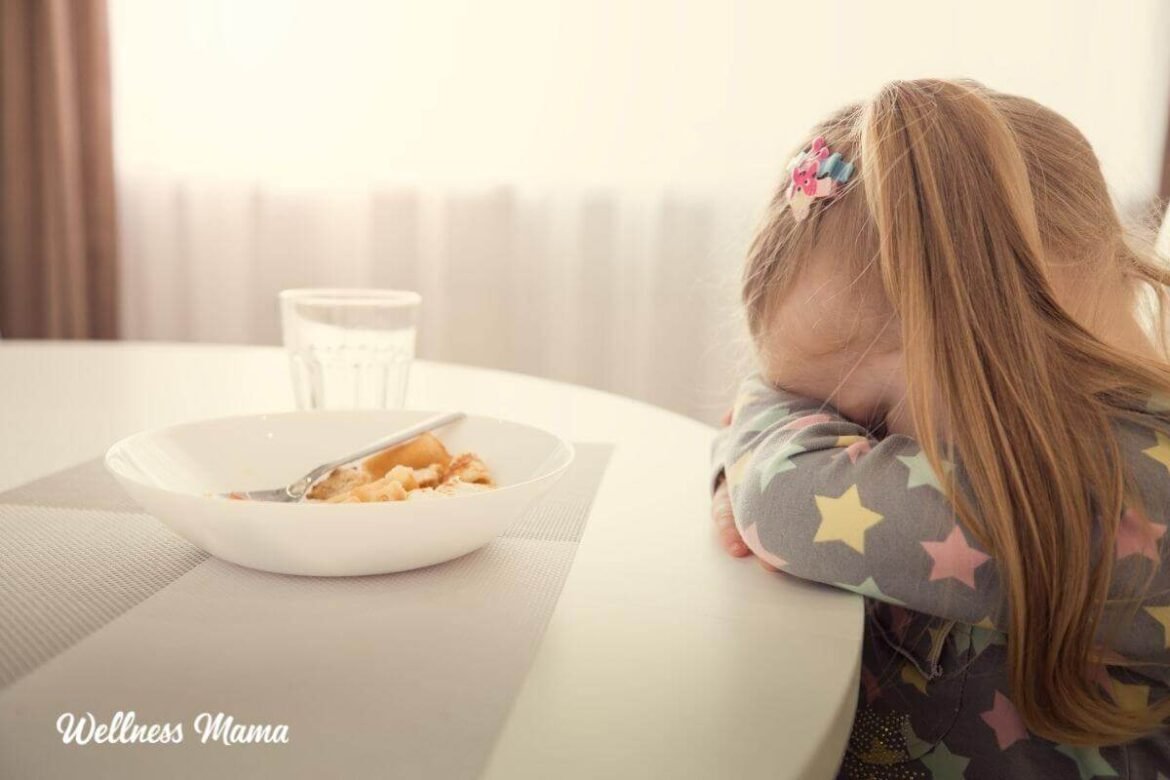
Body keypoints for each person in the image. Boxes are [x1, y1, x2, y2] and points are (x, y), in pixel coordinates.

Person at [710, 78, 1170, 778]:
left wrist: (754, 436)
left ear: (993, 342)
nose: (845, 451)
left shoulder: (1126, 496)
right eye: (823, 417)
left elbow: (781, 498)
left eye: (865, 422)